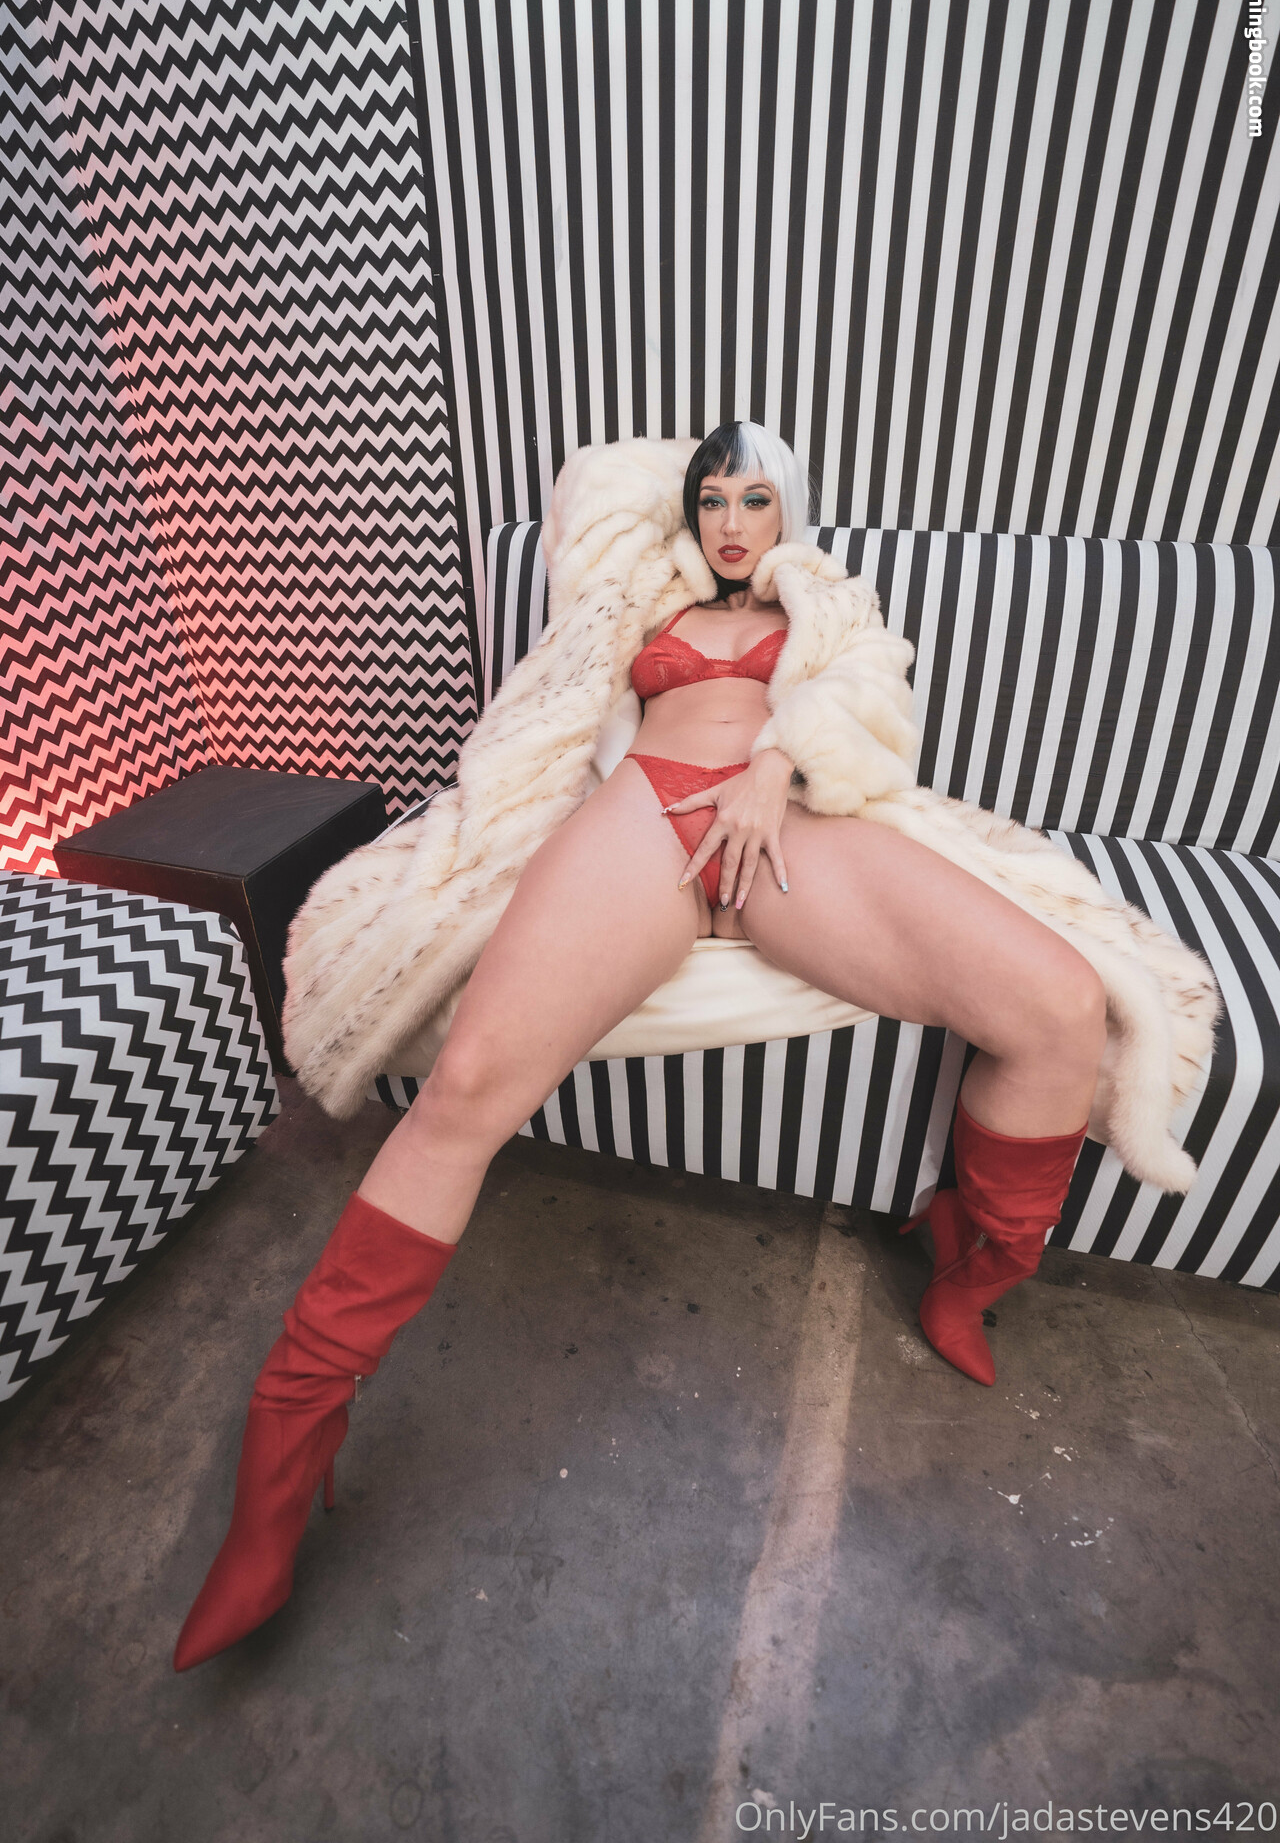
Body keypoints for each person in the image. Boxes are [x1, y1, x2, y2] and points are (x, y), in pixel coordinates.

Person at [174, 423, 1217, 1671]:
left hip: (788, 831)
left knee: (1056, 1002)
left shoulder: (827, 596)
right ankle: (286, 1453)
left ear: (788, 509)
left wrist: (777, 761)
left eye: (753, 498)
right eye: (710, 498)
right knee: (465, 1090)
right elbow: (564, 662)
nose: (729, 522)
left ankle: (971, 1263)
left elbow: (872, 702)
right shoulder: (640, 593)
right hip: (648, 816)